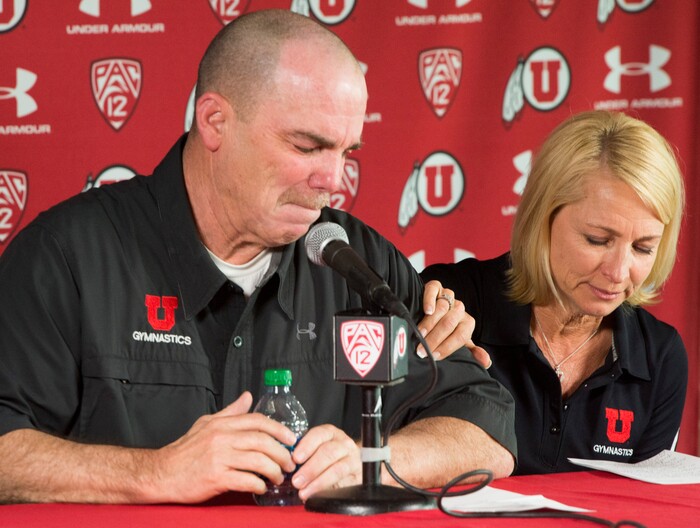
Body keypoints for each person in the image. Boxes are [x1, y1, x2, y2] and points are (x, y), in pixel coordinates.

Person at [0, 10, 516, 504]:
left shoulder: (362, 266)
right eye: (308, 146)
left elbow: (488, 432)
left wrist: (372, 460)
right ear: (215, 121)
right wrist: (154, 472)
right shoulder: (66, 257)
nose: (333, 180)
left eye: (346, 152)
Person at [422, 110, 687, 474]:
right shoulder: (454, 301)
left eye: (643, 248)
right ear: (541, 218)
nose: (618, 271)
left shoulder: (659, 356)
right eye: (598, 240)